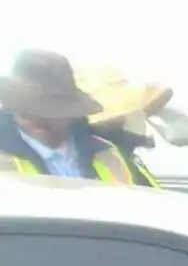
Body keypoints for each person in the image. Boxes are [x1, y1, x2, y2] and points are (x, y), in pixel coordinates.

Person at [0, 50, 153, 184]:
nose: (35, 118)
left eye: (50, 111)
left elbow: (151, 207)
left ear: (71, 113)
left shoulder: (109, 153)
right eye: (26, 108)